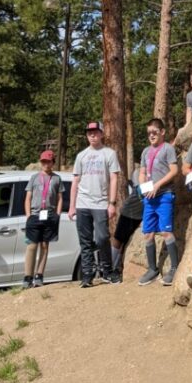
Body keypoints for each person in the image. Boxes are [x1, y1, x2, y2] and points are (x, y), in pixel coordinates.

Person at [69, 121, 120, 288]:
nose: (92, 135)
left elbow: (113, 178)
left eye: (95, 132)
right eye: (89, 132)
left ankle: (107, 271)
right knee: (85, 241)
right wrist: (72, 206)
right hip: (82, 203)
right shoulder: (81, 156)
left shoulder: (109, 154)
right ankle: (87, 275)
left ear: (101, 134)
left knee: (102, 237)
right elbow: (75, 181)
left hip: (100, 203)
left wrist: (112, 203)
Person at [138, 117, 180, 287]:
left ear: (162, 132)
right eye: (149, 133)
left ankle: (175, 267)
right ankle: (152, 269)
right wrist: (143, 186)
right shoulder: (145, 152)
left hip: (164, 196)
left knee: (165, 232)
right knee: (148, 233)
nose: (151, 135)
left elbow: (174, 170)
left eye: (155, 132)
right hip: (149, 198)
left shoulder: (168, 149)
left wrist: (158, 185)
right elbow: (142, 172)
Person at [22, 149, 63, 288]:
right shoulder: (34, 177)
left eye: (48, 161)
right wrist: (28, 215)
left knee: (45, 246)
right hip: (35, 215)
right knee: (32, 245)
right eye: (43, 161)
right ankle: (28, 276)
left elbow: (60, 197)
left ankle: (39, 275)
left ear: (53, 163)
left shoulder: (57, 178)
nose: (46, 164)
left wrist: (57, 214)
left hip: (49, 215)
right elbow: (28, 197)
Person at [111, 167, 143, 277]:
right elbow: (141, 190)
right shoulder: (138, 172)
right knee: (119, 239)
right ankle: (111, 268)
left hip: (143, 213)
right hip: (130, 211)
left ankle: (118, 268)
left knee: (128, 242)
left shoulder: (157, 171)